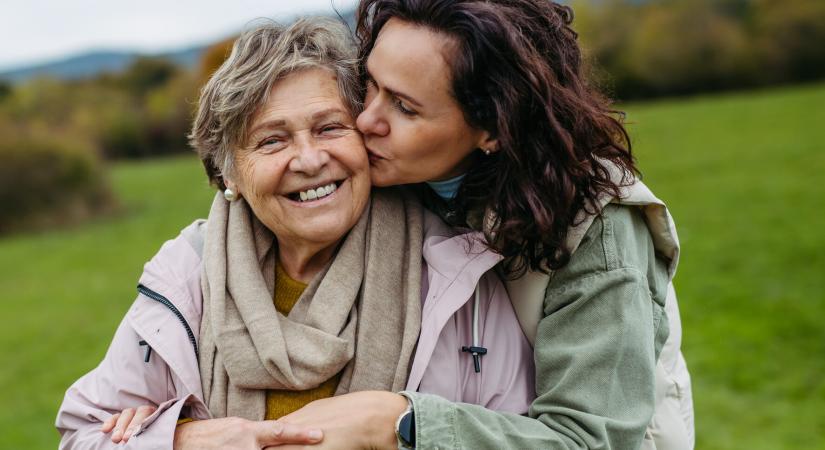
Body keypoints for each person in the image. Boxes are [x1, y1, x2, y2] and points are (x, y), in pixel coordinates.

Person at [55, 17, 535, 449]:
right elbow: (83, 435)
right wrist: (180, 441)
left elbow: (518, 434)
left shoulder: (453, 273)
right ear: (229, 174)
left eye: (329, 128)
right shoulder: (189, 273)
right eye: (272, 140)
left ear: (365, 138)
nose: (308, 160)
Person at [249, 1, 694, 449]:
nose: (366, 120)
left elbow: (591, 439)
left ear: (493, 128)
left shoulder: (596, 227)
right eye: (371, 84)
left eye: (404, 107)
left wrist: (398, 424)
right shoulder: (388, 180)